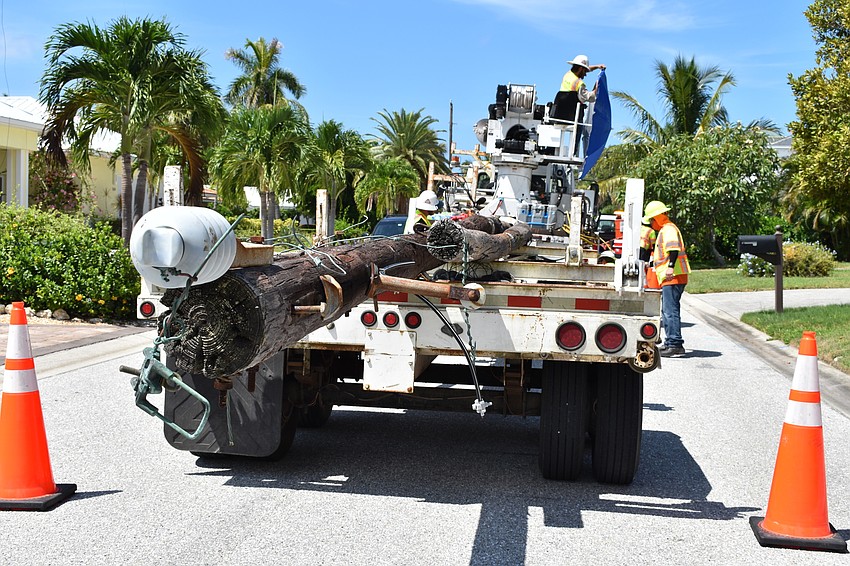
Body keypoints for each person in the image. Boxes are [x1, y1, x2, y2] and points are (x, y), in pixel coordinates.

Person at [643, 200, 690, 357]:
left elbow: (673, 250)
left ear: (657, 217)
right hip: (671, 276)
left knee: (670, 311)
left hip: (673, 276)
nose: (651, 224)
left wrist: (670, 267)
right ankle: (671, 342)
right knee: (668, 310)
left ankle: (675, 344)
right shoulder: (666, 229)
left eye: (651, 220)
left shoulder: (668, 229)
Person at [560, 55, 605, 156]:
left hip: (561, 111)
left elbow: (585, 70)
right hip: (572, 115)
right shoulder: (579, 84)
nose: (585, 74)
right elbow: (590, 97)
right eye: (585, 71)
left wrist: (597, 67)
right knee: (579, 130)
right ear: (580, 69)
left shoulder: (568, 75)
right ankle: (573, 151)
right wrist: (596, 87)